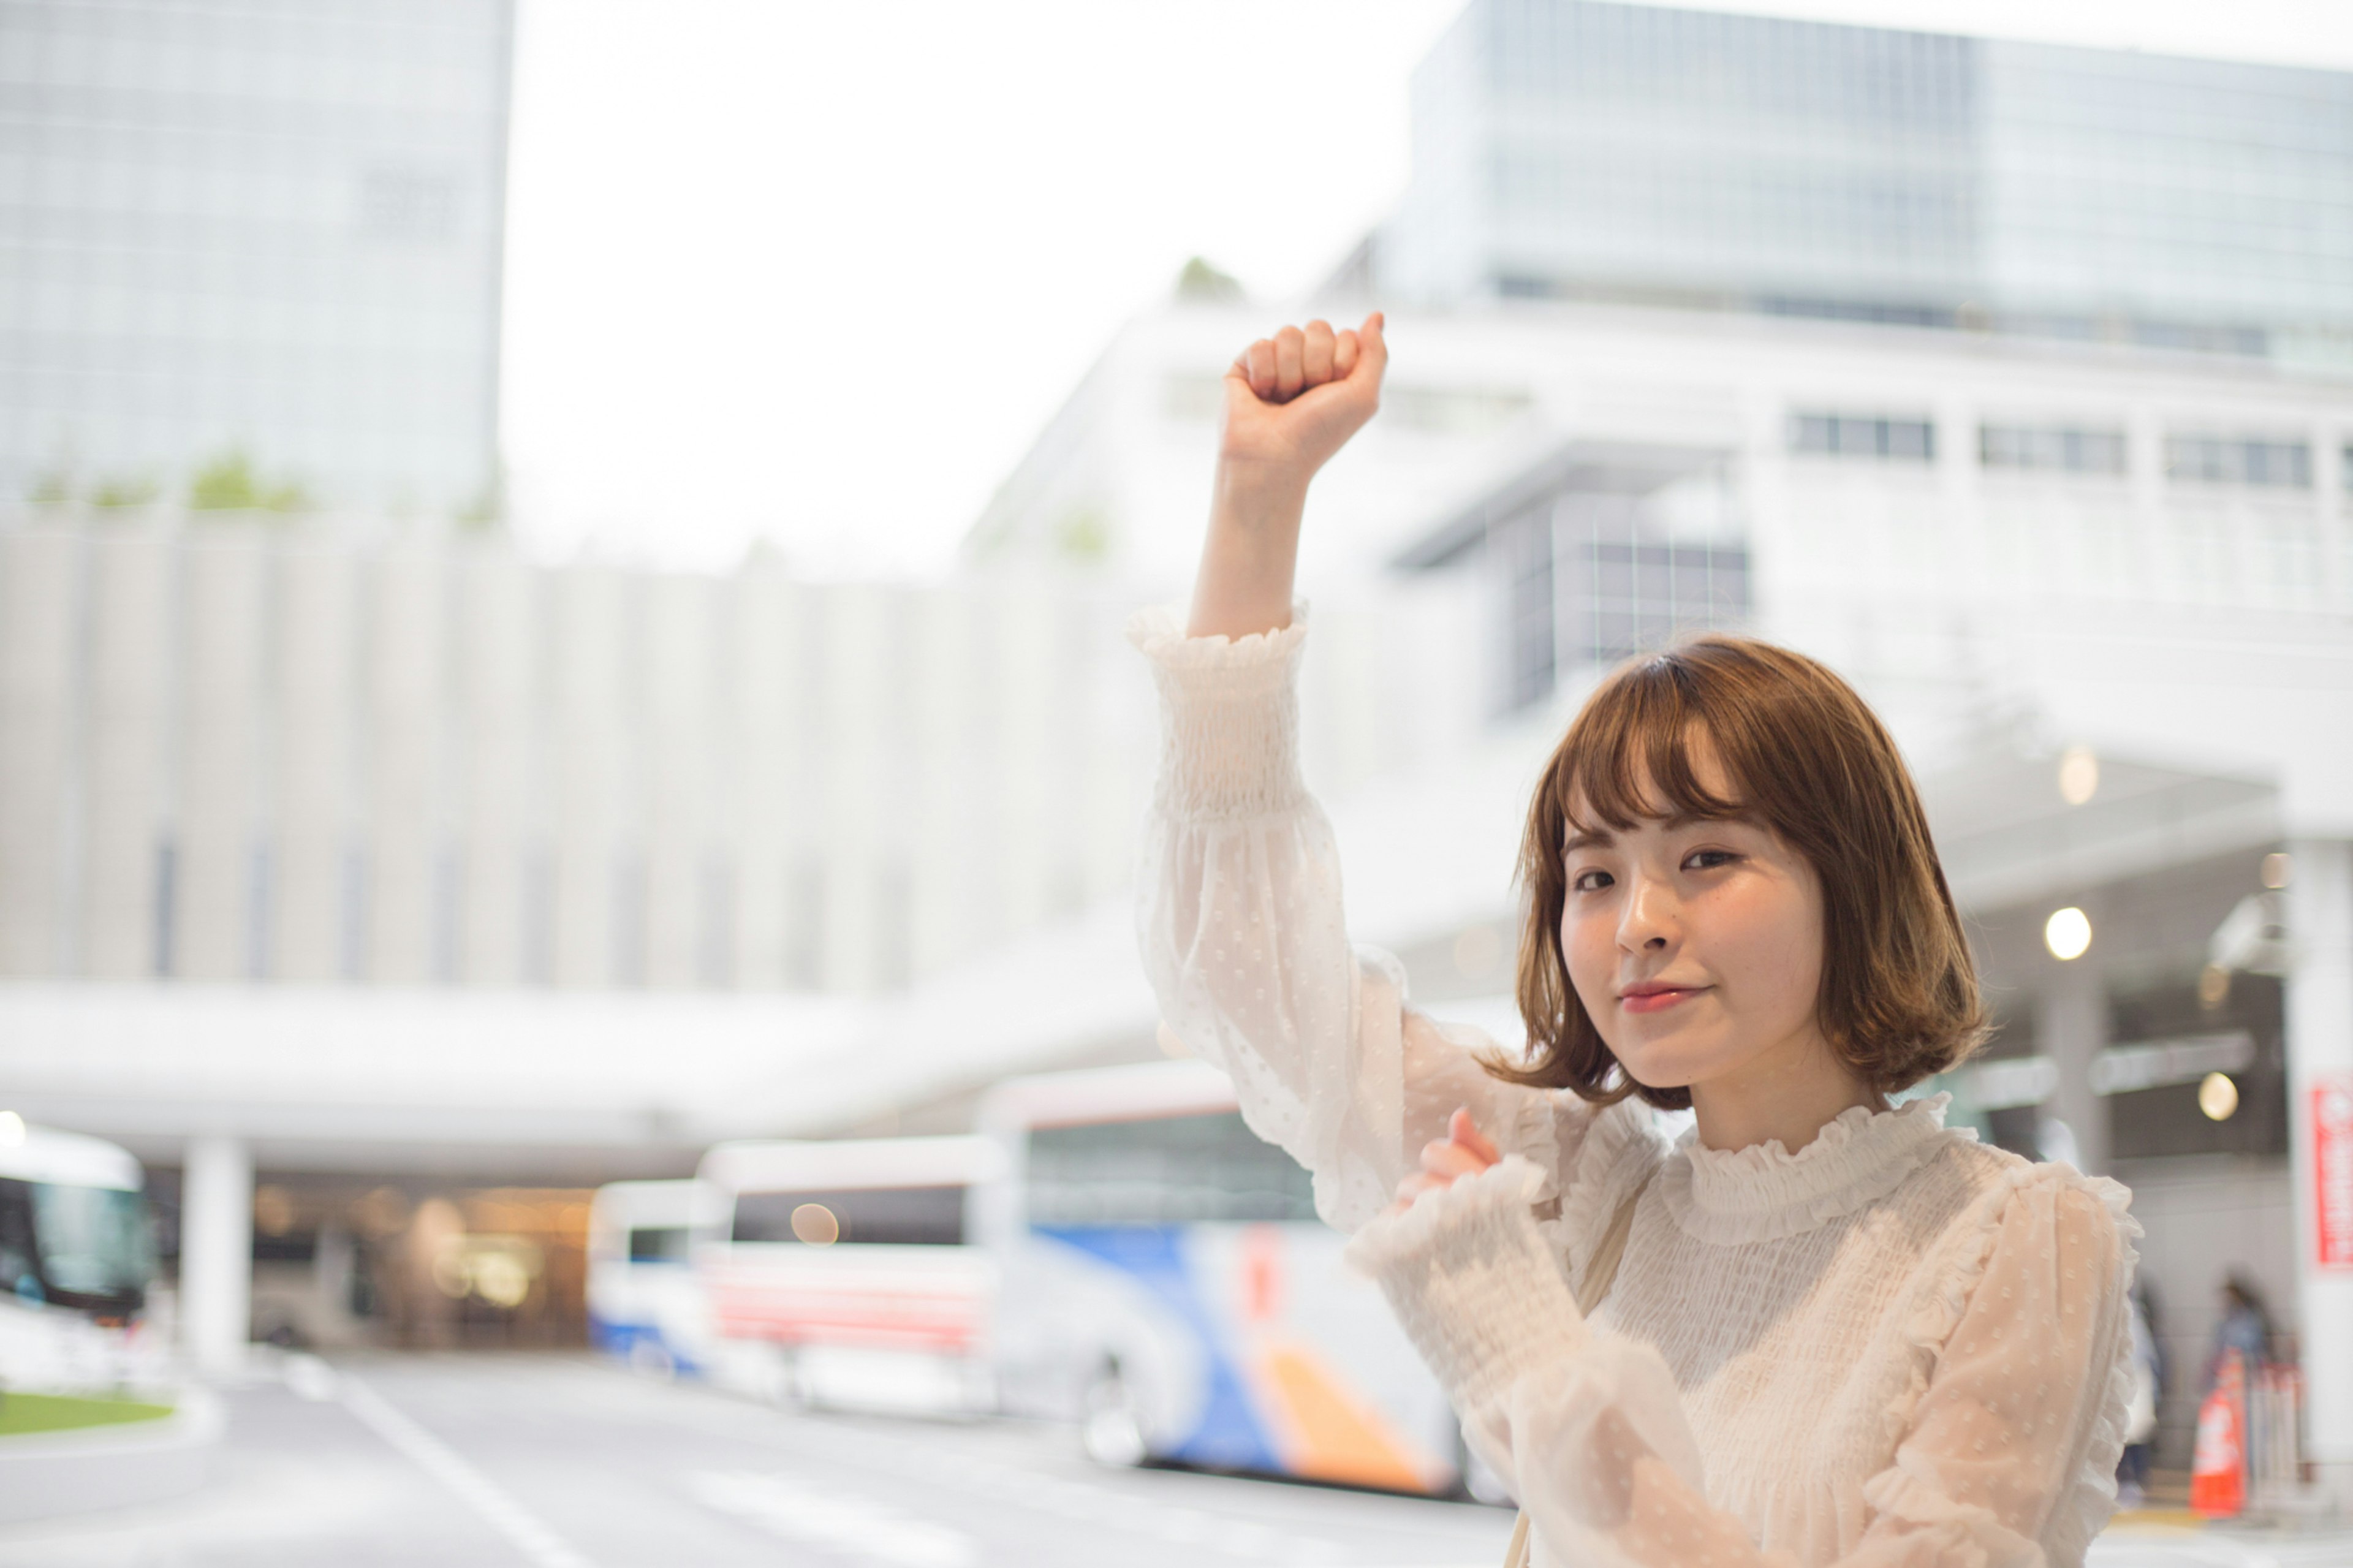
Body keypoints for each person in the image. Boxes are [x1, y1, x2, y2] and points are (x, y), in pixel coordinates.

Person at [1132, 314, 2142, 1567]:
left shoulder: (2017, 1238)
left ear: (1855, 876)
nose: (1639, 923)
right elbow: (1247, 969)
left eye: (1707, 857)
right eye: (1592, 872)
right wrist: (1257, 493)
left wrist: (1540, 1371)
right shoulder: (1590, 1189)